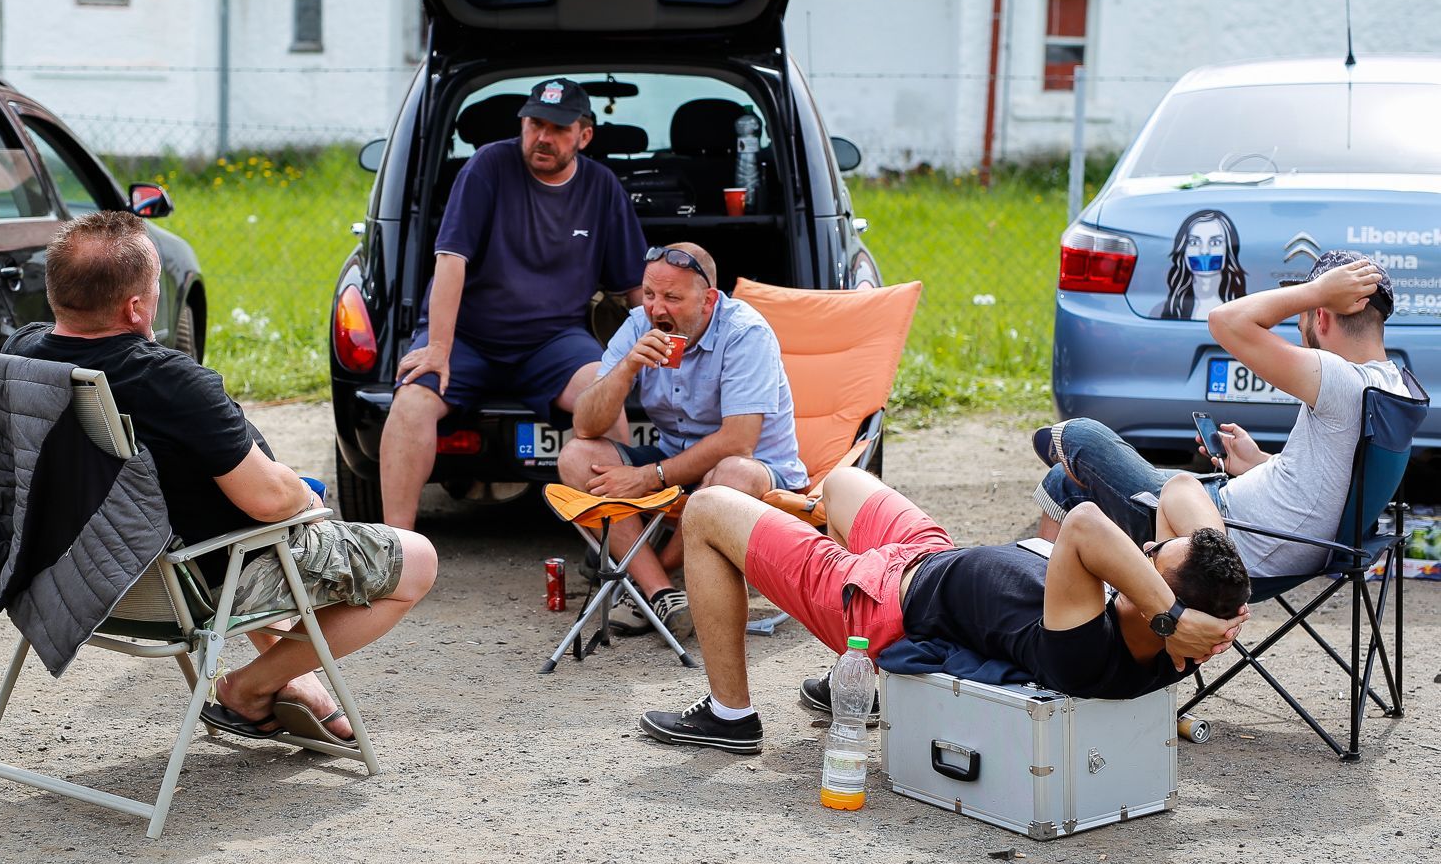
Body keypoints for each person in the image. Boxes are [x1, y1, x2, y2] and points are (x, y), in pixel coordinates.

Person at [7, 211, 437, 745]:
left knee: (234, 525)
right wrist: (302, 495)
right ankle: (248, 688)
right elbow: (267, 502)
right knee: (416, 559)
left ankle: (298, 685)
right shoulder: (169, 382)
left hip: (77, 578)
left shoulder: (19, 358)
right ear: (136, 307)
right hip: (189, 583)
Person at [636, 467, 1250, 754]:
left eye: (1151, 561)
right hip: (932, 558)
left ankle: (729, 714)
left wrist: (1171, 612)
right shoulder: (1174, 649)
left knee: (708, 508)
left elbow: (1085, 523)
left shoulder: (1087, 646)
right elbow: (1180, 491)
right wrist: (1225, 606)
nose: (1141, 554)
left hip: (879, 602)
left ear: (1162, 612)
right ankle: (842, 676)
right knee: (845, 482)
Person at [1036, 249, 1410, 578]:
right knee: (1064, 479)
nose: (1299, 327)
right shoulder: (1391, 383)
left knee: (1081, 438)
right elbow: (1333, 479)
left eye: (1303, 317)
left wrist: (1315, 292)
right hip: (1244, 518)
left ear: (1321, 317)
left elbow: (1224, 320)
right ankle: (1051, 610)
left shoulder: (1342, 381)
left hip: (1220, 536)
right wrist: (1258, 463)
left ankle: (1048, 616)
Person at [381, 77, 647, 528]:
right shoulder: (489, 165)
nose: (543, 137)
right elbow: (451, 260)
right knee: (410, 403)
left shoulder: (602, 188)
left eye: (558, 128)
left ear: (584, 136)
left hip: (553, 341)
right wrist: (439, 348)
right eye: (534, 123)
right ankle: (393, 552)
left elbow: (633, 288)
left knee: (605, 400)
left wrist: (666, 345)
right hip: (468, 337)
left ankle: (619, 544)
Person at [557, 241, 805, 638]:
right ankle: (661, 593)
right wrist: (627, 368)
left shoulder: (745, 332)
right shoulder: (639, 324)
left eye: (672, 297)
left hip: (755, 468)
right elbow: (585, 423)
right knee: (575, 456)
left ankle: (649, 572)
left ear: (707, 300)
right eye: (651, 294)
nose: (657, 309)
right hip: (677, 458)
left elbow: (738, 441)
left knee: (733, 474)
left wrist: (647, 477)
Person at [1151, 208, 1247, 320]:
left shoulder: (1246, 311)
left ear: (1228, 250)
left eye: (1215, 242)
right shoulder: (1162, 311)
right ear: (1183, 250)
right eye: (1194, 242)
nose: (1204, 251)